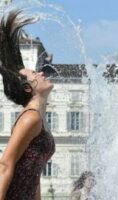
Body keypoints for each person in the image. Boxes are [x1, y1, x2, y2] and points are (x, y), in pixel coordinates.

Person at [0, 10, 55, 199]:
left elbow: (34, 174)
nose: (40, 74)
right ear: (27, 89)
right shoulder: (30, 117)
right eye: (34, 74)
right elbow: (6, 164)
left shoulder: (38, 118)